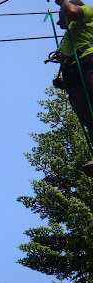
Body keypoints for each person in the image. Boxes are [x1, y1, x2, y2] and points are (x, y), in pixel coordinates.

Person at [51, 0, 93, 176]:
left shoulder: (87, 11)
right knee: (88, 120)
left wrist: (62, 1)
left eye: (60, 14)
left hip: (89, 62)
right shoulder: (66, 38)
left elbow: (72, 12)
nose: (59, 20)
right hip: (73, 72)